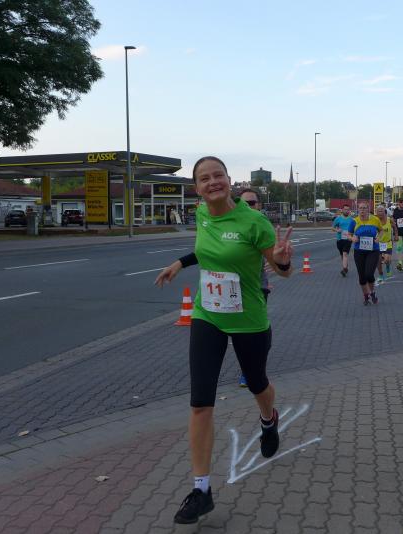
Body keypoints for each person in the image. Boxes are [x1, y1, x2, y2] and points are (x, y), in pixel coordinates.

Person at [155, 156, 294, 525]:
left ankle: (269, 419)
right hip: (208, 316)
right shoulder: (202, 214)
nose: (212, 182)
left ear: (229, 180)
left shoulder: (254, 222)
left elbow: (283, 271)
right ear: (197, 188)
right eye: (205, 178)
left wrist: (282, 261)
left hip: (248, 320)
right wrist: (179, 263)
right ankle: (201, 490)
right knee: (201, 402)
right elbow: (206, 248)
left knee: (258, 383)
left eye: (218, 175)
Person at [236, 188, 269, 388]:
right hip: (232, 289)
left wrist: (278, 261)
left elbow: (274, 255)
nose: (248, 206)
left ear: (258, 205)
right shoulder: (232, 223)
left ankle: (250, 372)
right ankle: (248, 369)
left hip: (258, 287)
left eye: (252, 203)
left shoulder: (262, 224)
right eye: (244, 203)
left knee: (255, 334)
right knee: (241, 333)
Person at [349, 201, 383, 305]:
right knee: (362, 277)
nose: (362, 210)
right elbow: (349, 234)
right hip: (359, 251)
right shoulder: (354, 221)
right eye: (360, 208)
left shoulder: (375, 219)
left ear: (368, 209)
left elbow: (381, 231)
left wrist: (379, 238)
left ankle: (372, 292)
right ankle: (366, 296)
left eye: (364, 208)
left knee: (369, 274)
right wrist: (353, 238)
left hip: (373, 250)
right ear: (358, 210)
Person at [375, 204, 397, 284]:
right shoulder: (375, 220)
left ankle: (387, 266)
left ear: (384, 212)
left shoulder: (389, 220)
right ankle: (381, 275)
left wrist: (396, 235)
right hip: (378, 243)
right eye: (378, 211)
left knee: (387, 259)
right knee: (378, 260)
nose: (380, 213)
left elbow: (395, 227)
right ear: (376, 212)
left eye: (381, 211)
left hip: (388, 242)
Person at [332, 204, 354, 277]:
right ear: (342, 210)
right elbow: (333, 228)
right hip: (340, 239)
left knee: (345, 253)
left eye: (348, 210)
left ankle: (344, 269)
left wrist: (352, 235)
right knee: (342, 254)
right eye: (345, 209)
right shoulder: (338, 219)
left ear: (349, 211)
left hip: (348, 239)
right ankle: (345, 266)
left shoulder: (352, 220)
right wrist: (337, 230)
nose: (346, 211)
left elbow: (355, 228)